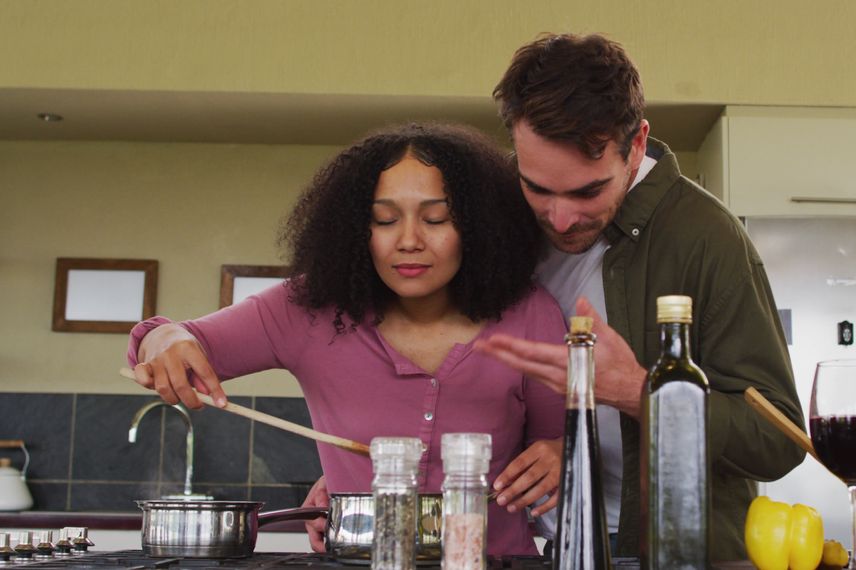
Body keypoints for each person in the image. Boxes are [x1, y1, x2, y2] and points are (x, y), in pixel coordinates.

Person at [127, 123, 566, 556]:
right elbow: (172, 340)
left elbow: (560, 444)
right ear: (357, 230)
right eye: (385, 219)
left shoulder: (531, 314)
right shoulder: (306, 309)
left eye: (437, 218)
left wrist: (561, 454)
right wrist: (164, 340)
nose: (409, 240)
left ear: (478, 227)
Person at [475, 34, 807, 561]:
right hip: (533, 547)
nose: (559, 219)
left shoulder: (708, 238)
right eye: (537, 187)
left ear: (636, 146)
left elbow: (778, 440)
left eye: (588, 192)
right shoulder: (501, 223)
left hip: (664, 552)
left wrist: (638, 390)